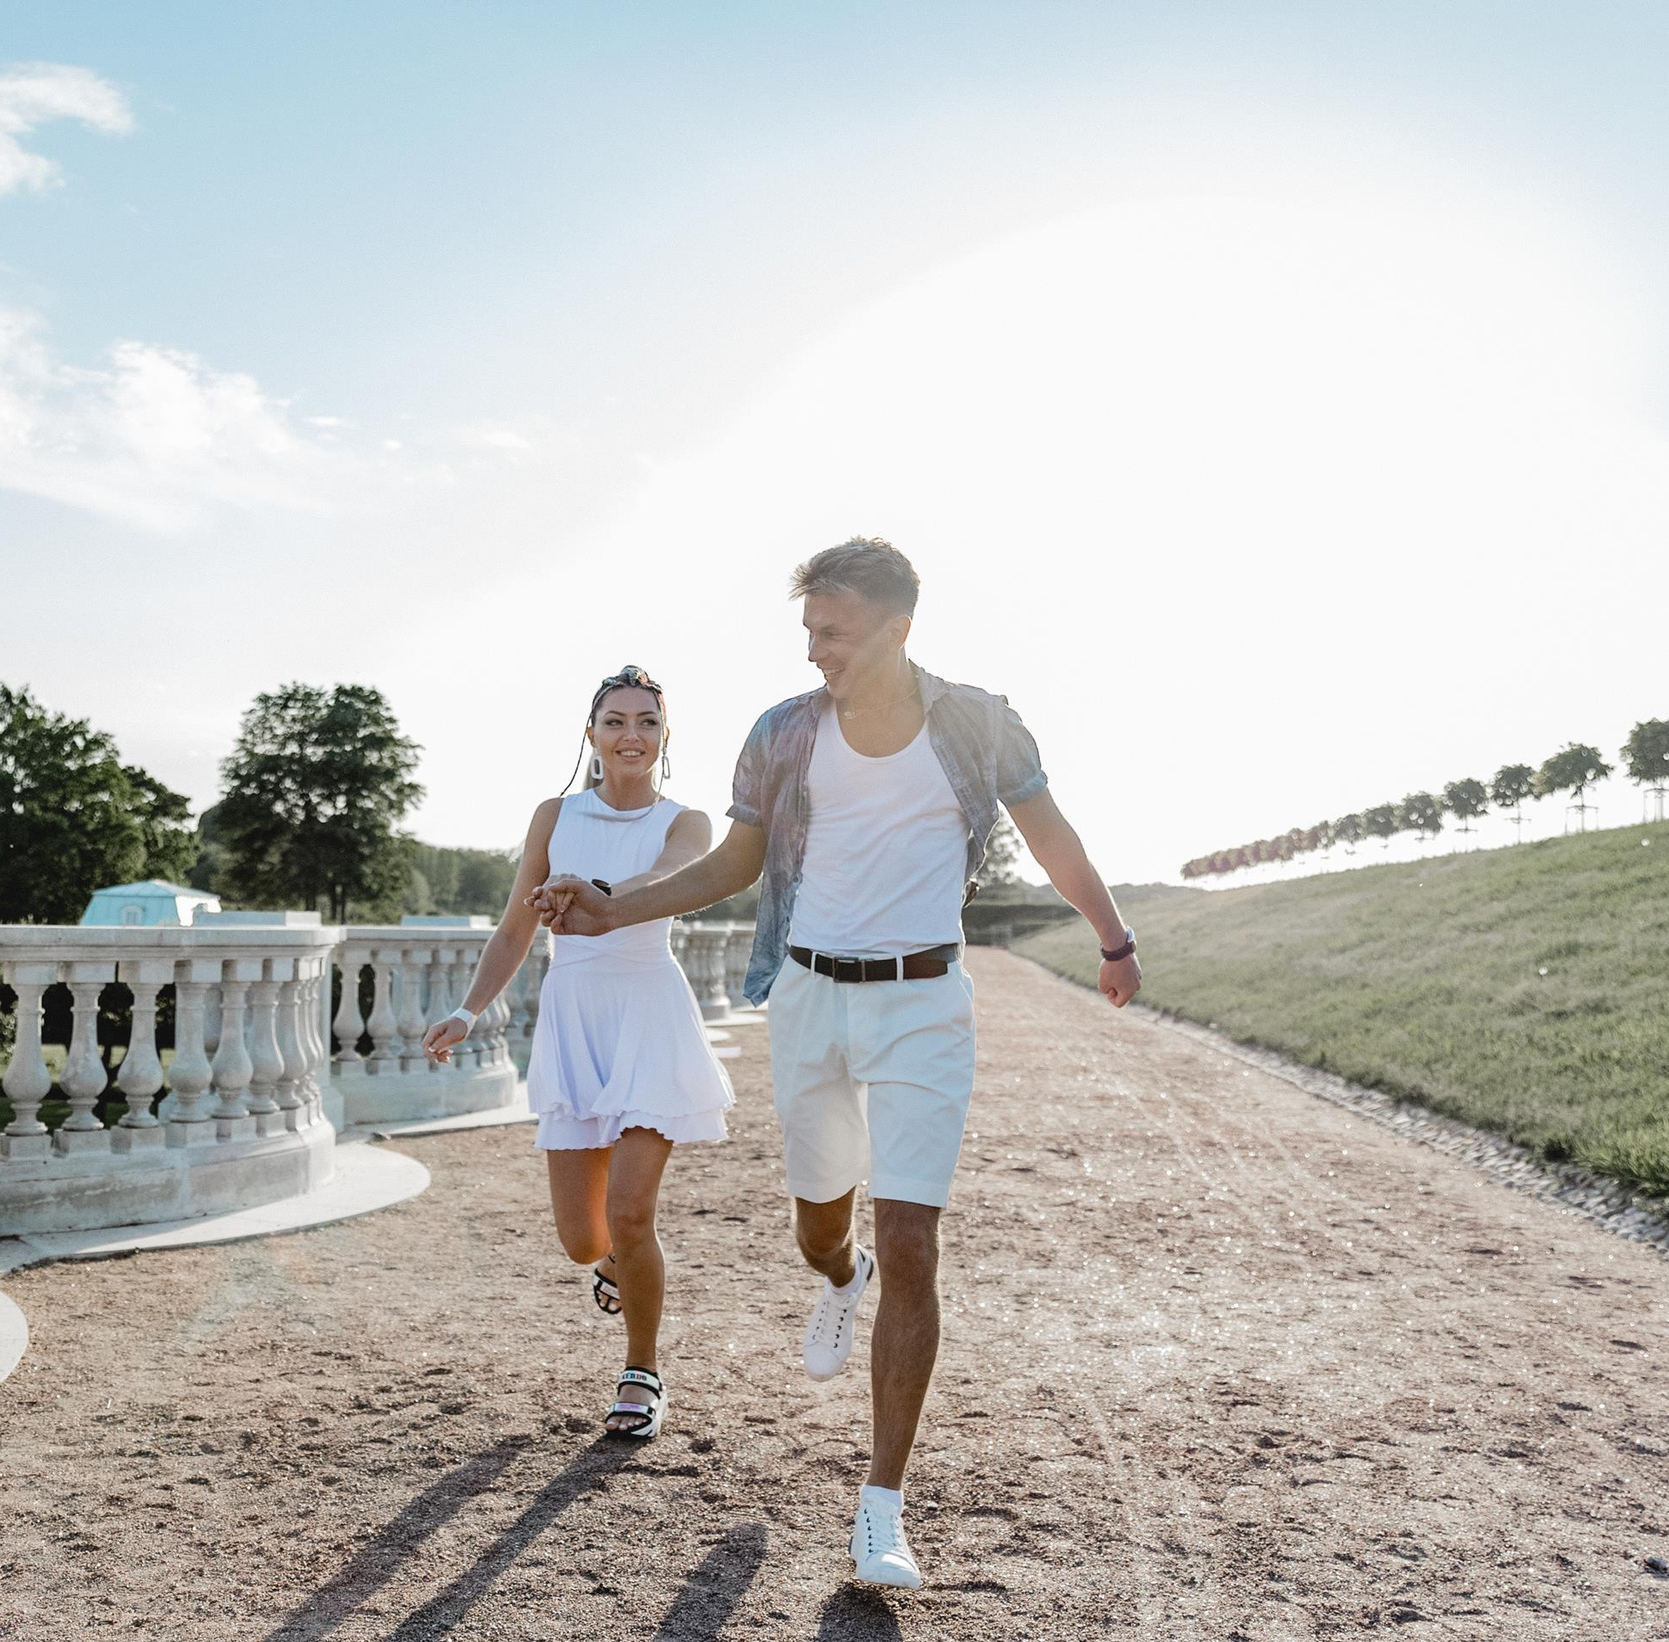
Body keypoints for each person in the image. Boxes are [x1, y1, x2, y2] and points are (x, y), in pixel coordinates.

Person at [535, 538, 1142, 1587]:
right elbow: (736, 862)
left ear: (897, 629)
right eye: (809, 630)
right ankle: (838, 1271)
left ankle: (881, 1510)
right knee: (824, 1227)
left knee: (913, 1240)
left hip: (924, 1004)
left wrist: (1113, 937)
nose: (816, 651)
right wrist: (611, 907)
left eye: (835, 633)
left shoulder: (979, 725)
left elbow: (1049, 835)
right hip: (810, 999)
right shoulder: (783, 733)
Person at [423, 665, 734, 1439]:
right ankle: (614, 1267)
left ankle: (642, 1371)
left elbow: (658, 882)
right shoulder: (554, 814)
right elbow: (513, 928)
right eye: (617, 721)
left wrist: (587, 888)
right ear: (591, 733)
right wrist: (467, 1010)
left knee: (632, 1210)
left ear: (666, 736)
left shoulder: (686, 823)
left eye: (648, 722)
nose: (633, 735)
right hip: (574, 1018)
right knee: (584, 1238)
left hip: (648, 1015)